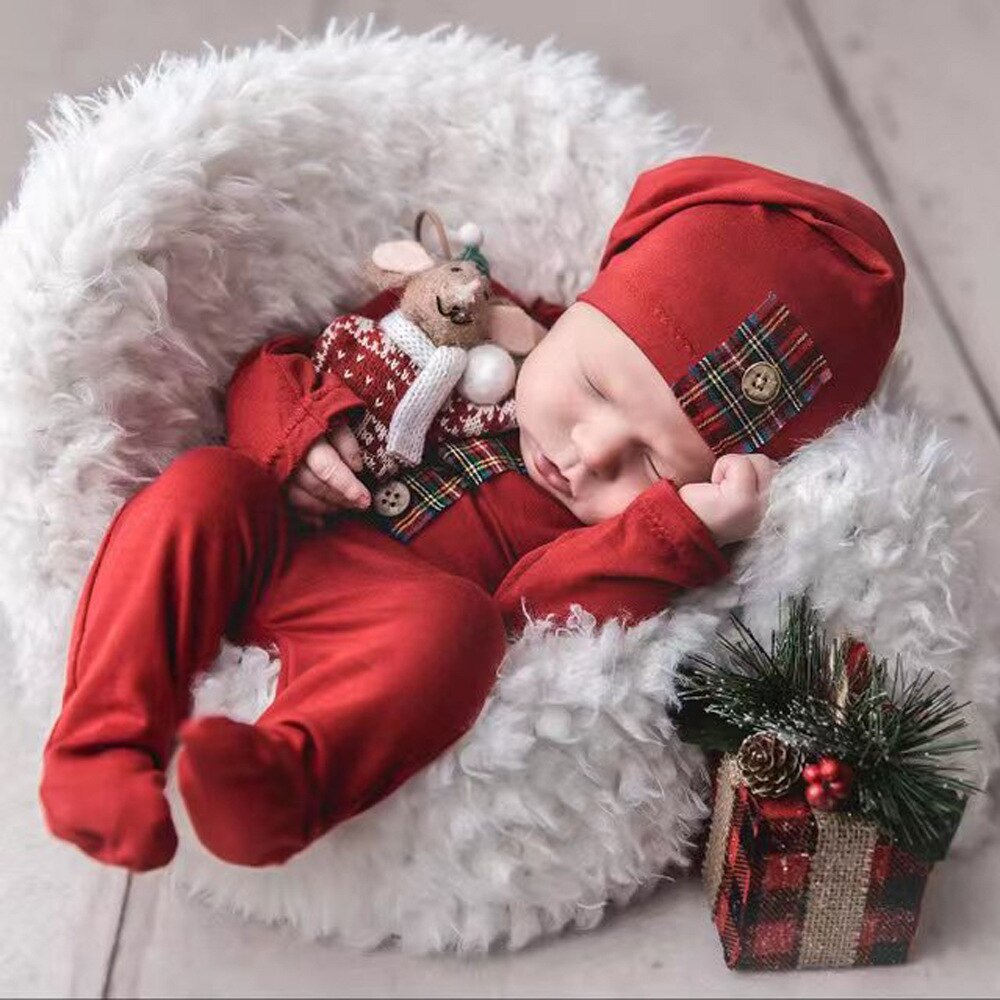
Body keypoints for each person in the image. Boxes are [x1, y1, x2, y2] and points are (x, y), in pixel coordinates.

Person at [38, 155, 905, 872]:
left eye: (647, 464)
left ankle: (280, 783)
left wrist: (678, 532)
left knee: (456, 627)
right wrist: (296, 440)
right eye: (596, 386)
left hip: (385, 609)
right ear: (577, 314)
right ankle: (103, 747)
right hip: (271, 531)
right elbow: (284, 361)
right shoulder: (466, 324)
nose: (590, 451)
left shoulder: (617, 528)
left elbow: (550, 606)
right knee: (200, 486)